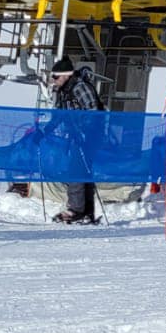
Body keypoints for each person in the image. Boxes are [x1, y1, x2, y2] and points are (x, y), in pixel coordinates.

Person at [49, 57, 104, 224]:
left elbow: (93, 111)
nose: (54, 80)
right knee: (81, 171)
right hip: (75, 136)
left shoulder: (80, 87)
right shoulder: (63, 92)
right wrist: (46, 130)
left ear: (66, 76)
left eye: (56, 77)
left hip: (89, 136)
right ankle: (86, 211)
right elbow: (58, 114)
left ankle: (76, 209)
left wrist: (85, 132)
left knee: (76, 169)